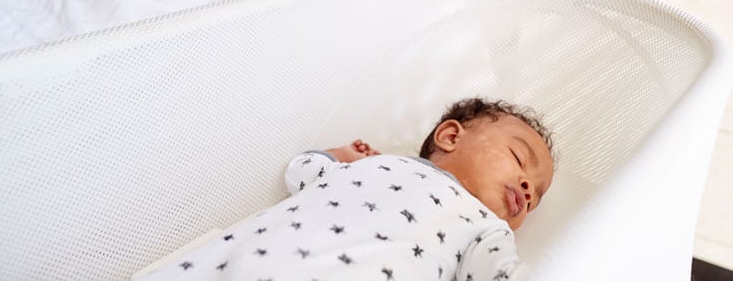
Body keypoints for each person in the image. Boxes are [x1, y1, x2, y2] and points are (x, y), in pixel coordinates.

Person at [137, 98, 555, 280]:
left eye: (535, 195)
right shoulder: (381, 164)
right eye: (520, 159)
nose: (527, 189)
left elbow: (501, 273)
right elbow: (302, 173)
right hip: (261, 255)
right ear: (449, 137)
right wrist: (340, 156)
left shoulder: (484, 227)